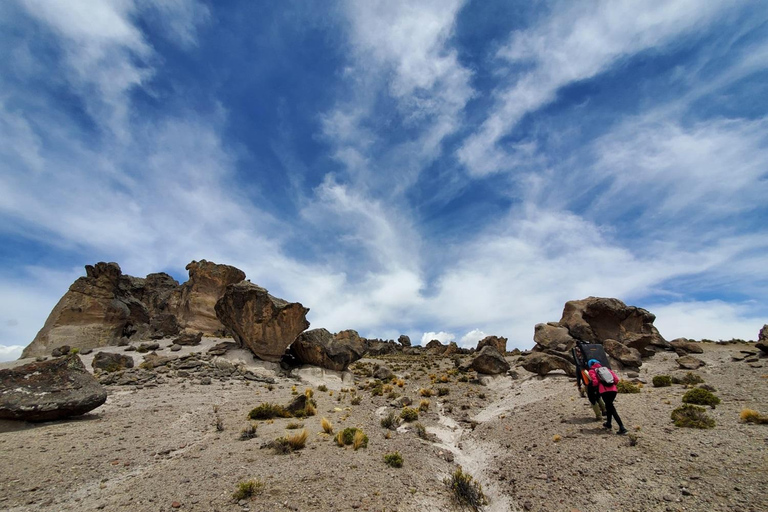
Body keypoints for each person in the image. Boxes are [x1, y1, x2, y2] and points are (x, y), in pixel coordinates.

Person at [588, 359, 628, 435]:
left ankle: (622, 428)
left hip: (604, 391)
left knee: (611, 408)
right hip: (613, 391)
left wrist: (593, 387)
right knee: (608, 406)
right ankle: (608, 423)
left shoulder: (592, 371)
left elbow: (595, 382)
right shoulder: (607, 369)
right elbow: (616, 380)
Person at [575, 353, 606, 420]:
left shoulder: (579, 367)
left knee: (592, 400)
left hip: (588, 384)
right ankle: (604, 411)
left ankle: (598, 416)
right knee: (598, 397)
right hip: (598, 383)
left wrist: (579, 386)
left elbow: (578, 377)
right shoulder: (593, 363)